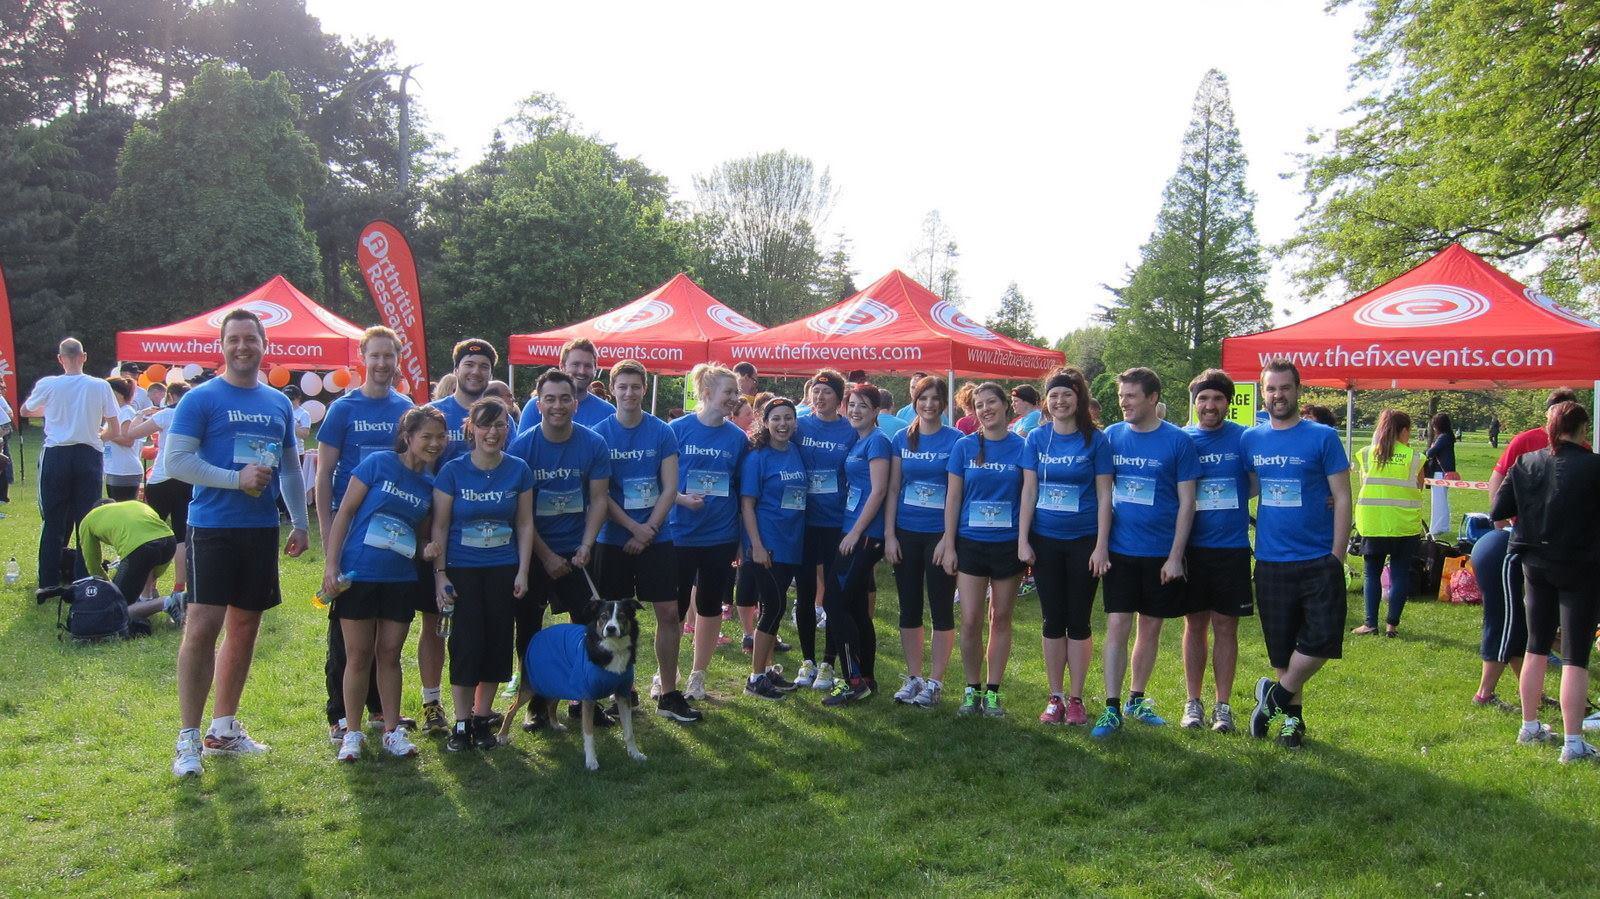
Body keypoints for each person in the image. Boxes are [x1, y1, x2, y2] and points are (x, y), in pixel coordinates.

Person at [167, 309, 310, 778]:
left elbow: (289, 467)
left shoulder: (278, 403)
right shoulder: (200, 399)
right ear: (222, 345)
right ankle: (188, 738)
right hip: (212, 527)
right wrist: (236, 478)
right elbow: (177, 462)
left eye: (251, 338)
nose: (243, 346)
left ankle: (223, 729)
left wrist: (300, 522)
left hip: (260, 529)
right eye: (234, 339)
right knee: (202, 626)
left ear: (264, 344)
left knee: (245, 626)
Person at [315, 327, 427, 739]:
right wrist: (330, 537)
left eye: (389, 356)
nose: (382, 363)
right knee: (347, 632)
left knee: (387, 637)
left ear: (398, 359)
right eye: (375, 355)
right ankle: (340, 716)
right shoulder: (343, 410)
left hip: (393, 537)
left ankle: (381, 712)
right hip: (350, 534)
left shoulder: (406, 409)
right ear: (363, 357)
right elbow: (324, 473)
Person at [322, 406, 445, 762]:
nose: (434, 443)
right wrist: (331, 565)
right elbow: (344, 512)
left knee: (389, 655)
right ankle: (353, 733)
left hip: (400, 579)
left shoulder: (430, 485)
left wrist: (428, 548)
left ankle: (392, 731)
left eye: (440, 436)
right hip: (359, 574)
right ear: (407, 437)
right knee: (357, 656)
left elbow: (419, 538)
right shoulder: (377, 463)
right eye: (426, 436)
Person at [1241, 358, 1351, 751]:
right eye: (1271, 389)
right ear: (1263, 392)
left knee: (1321, 641)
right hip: (1271, 559)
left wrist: (1336, 556)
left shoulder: (1322, 437)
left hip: (1318, 558)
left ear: (1298, 390)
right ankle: (1292, 721)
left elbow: (1341, 496)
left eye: (1284, 388)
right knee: (1284, 647)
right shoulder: (1251, 439)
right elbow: (1249, 487)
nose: (1277, 395)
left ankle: (1272, 698)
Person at [1490, 400, 1600, 762]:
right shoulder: (1593, 466)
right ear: (1583, 429)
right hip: (1580, 565)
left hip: (1535, 562)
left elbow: (1499, 510)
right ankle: (1572, 743)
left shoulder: (1526, 462)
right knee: (1575, 655)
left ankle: (1530, 725)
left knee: (1536, 645)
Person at [1091, 367, 1199, 738]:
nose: (1124, 403)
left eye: (1131, 396)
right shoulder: (1111, 437)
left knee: (1149, 628)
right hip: (1121, 550)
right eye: (1122, 396)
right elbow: (1103, 495)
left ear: (1152, 398)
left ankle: (1137, 697)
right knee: (1117, 626)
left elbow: (1188, 504)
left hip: (1159, 553)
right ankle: (1111, 707)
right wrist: (1101, 546)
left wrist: (1174, 555)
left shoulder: (1178, 442)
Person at [591, 360, 698, 723]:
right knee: (612, 619)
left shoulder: (662, 431)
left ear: (644, 389)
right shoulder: (600, 433)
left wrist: (649, 528)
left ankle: (669, 692)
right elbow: (600, 494)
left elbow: (670, 487)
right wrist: (633, 529)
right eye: (623, 386)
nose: (630, 393)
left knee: (669, 614)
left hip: (658, 536)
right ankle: (618, 690)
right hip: (613, 538)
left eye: (636, 386)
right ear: (612, 388)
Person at [507, 369, 612, 727]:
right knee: (530, 630)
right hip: (534, 551)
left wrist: (586, 545)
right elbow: (519, 514)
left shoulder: (593, 444)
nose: (557, 406)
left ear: (576, 403)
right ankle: (536, 707)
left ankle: (585, 699)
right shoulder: (522, 447)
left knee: (589, 627)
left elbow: (599, 499)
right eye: (549, 399)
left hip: (579, 550)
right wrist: (546, 556)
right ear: (538, 404)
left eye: (564, 398)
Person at [430, 398, 535, 753]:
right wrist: (439, 574)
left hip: (503, 568)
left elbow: (524, 522)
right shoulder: (452, 471)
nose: (493, 432)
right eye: (485, 425)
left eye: (500, 425)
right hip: (463, 568)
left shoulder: (519, 469)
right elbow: (440, 526)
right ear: (471, 428)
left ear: (508, 429)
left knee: (497, 642)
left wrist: (522, 570)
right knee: (466, 642)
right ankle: (460, 723)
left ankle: (481, 716)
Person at [1021, 367, 1112, 727]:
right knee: (1051, 619)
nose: (1060, 401)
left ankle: (1076, 698)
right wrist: (1023, 540)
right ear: (1047, 401)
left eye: (1067, 395)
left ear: (1080, 400)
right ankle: (1054, 696)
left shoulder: (1096, 441)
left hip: (1084, 541)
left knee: (1079, 620)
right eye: (1054, 395)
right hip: (1045, 541)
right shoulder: (1036, 439)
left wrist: (1101, 546)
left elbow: (1106, 495)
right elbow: (1028, 492)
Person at [938, 382, 1028, 717]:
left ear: (1006, 405)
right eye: (979, 404)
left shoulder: (1023, 447)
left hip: (1007, 546)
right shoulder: (964, 447)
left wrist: (1023, 540)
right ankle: (971, 688)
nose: (986, 409)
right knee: (972, 619)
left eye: (992, 402)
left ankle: (992, 691)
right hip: (971, 543)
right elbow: (953, 498)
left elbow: (1027, 497)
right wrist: (948, 544)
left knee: (1001, 618)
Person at [665, 363, 747, 707]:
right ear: (708, 393)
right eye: (729, 392)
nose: (734, 398)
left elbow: (744, 490)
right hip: (680, 532)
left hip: (720, 535)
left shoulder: (738, 438)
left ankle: (698, 675)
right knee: (674, 608)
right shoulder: (677, 430)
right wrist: (682, 499)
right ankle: (666, 675)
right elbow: (661, 480)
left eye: (735, 393)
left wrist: (742, 539)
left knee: (711, 604)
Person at [1179, 370, 1254, 733]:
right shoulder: (1181, 439)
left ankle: (1223, 706)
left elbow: (1258, 482)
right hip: (1192, 547)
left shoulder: (1244, 438)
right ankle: (1193, 702)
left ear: (1228, 402)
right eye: (1203, 399)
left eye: (1217, 399)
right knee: (1195, 625)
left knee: (1226, 626)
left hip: (1232, 548)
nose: (1210, 405)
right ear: (1194, 402)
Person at [885, 376, 961, 708]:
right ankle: (914, 677)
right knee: (909, 606)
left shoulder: (957, 440)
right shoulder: (902, 438)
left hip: (939, 535)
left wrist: (949, 539)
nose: (928, 405)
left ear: (944, 404)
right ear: (913, 401)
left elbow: (958, 494)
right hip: (906, 531)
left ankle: (935, 681)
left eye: (934, 399)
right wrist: (889, 534)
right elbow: (892, 489)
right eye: (922, 398)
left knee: (941, 607)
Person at [23, 338, 119, 599]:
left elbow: (24, 410)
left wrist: (51, 410)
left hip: (57, 453)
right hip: (88, 453)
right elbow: (115, 428)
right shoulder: (100, 386)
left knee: (53, 520)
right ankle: (82, 578)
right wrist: (98, 433)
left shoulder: (49, 384)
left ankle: (49, 581)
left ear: (60, 358)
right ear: (84, 357)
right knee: (85, 521)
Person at [819, 383, 892, 706]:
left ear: (876, 411)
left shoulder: (877, 442)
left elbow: (878, 492)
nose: (856, 410)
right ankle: (868, 677)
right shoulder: (860, 440)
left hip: (862, 535)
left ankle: (854, 679)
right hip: (853, 530)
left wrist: (854, 533)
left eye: (863, 405)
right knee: (858, 609)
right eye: (852, 405)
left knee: (835, 604)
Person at [791, 369, 857, 690]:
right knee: (804, 593)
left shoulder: (850, 431)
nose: (819, 397)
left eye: (827, 393)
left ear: (839, 398)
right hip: (803, 522)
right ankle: (807, 661)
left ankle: (829, 662)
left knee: (832, 596)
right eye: (815, 391)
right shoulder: (799, 425)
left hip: (835, 524)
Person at [739, 397, 807, 699]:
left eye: (788, 418)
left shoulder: (795, 451)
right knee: (773, 607)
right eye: (776, 418)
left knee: (773, 608)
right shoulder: (758, 457)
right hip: (766, 545)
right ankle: (755, 678)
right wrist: (756, 545)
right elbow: (747, 505)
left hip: (791, 542)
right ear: (765, 422)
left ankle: (767, 671)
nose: (783, 424)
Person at [1351, 409, 1425, 638]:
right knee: (1400, 574)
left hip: (1373, 524)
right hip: (1404, 524)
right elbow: (1420, 486)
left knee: (1371, 573)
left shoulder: (1366, 454)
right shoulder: (1415, 457)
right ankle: (1392, 625)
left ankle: (1370, 624)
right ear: (1404, 431)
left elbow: (1364, 481)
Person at [126, 383, 191, 605]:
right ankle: (179, 588)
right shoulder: (195, 414)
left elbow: (132, 434)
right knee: (182, 535)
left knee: (151, 534)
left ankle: (148, 588)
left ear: (170, 396)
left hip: (162, 477)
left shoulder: (164, 415)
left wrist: (140, 414)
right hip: (187, 476)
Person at [77, 499, 181, 632]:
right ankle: (147, 602)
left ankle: (167, 602)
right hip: (169, 541)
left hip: (139, 548)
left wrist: (109, 588)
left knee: (115, 608)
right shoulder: (136, 504)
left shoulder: (88, 519)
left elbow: (92, 563)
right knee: (144, 567)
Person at [1470, 525, 1524, 712]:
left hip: (1497, 543)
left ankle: (1530, 691)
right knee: (1502, 623)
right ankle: (1484, 694)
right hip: (1503, 551)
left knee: (1519, 625)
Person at [517, 338, 616, 433]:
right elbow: (521, 448)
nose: (581, 371)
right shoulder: (536, 406)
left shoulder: (608, 412)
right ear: (562, 367)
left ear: (595, 369)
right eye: (575, 365)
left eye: (588, 366)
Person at [430, 339, 496, 469]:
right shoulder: (431, 413)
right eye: (469, 364)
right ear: (456, 370)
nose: (476, 372)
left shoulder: (500, 418)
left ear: (491, 375)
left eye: (484, 367)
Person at [102, 377, 146, 501]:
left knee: (122, 507)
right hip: (114, 469)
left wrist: (107, 433)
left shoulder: (126, 412)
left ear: (118, 394)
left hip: (125, 470)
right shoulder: (116, 412)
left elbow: (128, 440)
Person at [1424, 412, 1457, 536]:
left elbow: (1430, 453)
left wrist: (1428, 449)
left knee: (1438, 501)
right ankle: (1443, 526)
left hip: (1439, 473)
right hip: (1445, 472)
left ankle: (1436, 528)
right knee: (1442, 500)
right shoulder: (1448, 436)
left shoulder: (1443, 437)